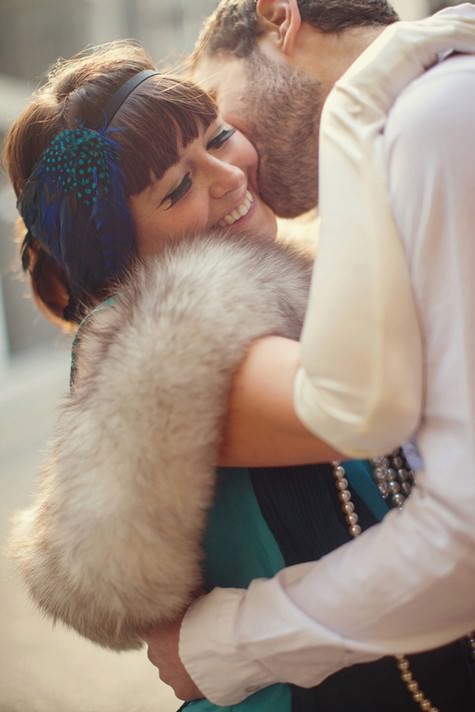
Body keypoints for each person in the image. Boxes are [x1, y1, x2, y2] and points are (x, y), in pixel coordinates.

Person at [4, 37, 475, 712]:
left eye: (218, 136)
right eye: (177, 187)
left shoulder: (282, 290)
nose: (227, 175)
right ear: (120, 253)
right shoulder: (155, 338)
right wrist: (360, 98)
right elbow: (377, 401)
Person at [139, 0, 475, 707]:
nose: (240, 169)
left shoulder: (433, 117)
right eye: (176, 181)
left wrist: (226, 645)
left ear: (276, 18)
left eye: (222, 123)